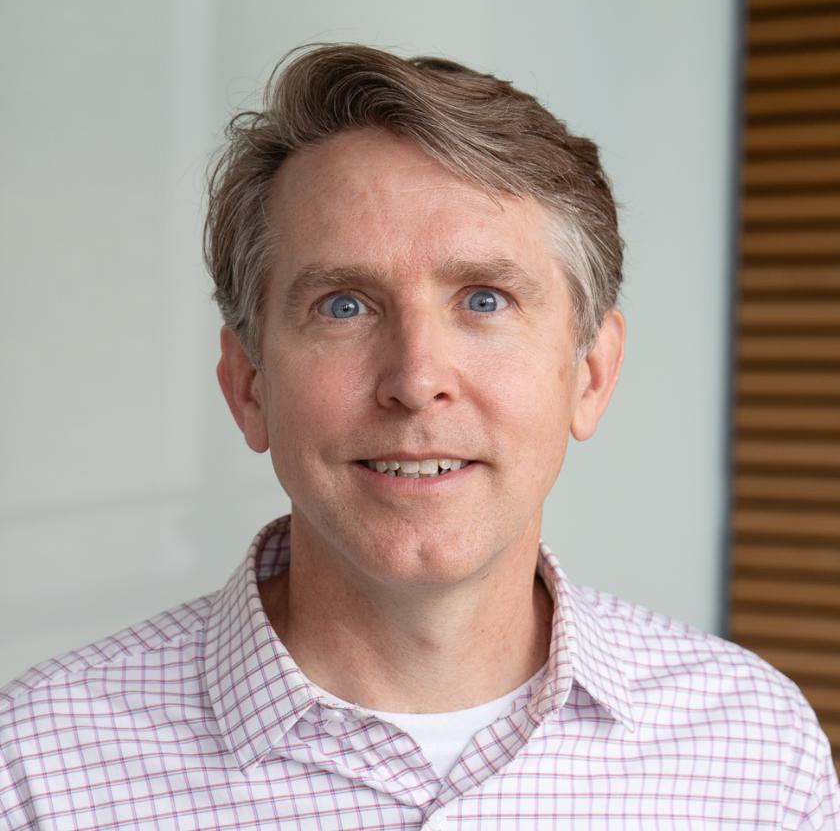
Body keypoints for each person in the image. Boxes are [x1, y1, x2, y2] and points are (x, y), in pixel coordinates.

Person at [1, 43, 838, 830]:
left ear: (590, 375)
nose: (415, 378)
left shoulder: (756, 754)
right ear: (248, 384)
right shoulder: (35, 771)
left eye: (484, 299)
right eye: (344, 305)